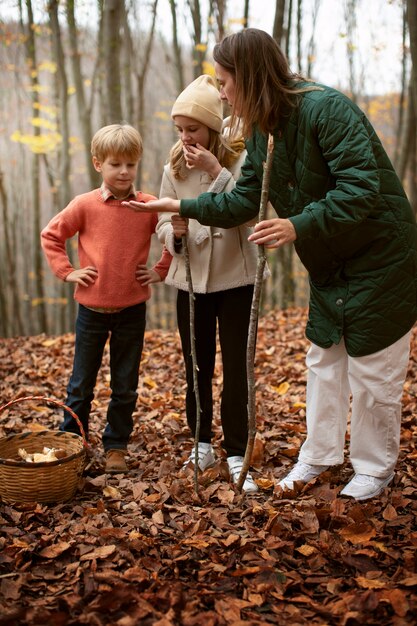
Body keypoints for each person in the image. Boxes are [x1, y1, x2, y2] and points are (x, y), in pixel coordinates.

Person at [124, 29, 417, 501]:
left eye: (224, 81)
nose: (220, 92)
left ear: (251, 76)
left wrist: (296, 225)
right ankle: (318, 456)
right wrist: (176, 208)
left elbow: (362, 188)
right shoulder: (263, 128)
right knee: (323, 360)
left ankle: (372, 469)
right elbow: (242, 199)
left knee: (371, 371)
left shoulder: (328, 110)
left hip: (381, 257)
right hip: (330, 264)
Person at [155, 74, 267, 493]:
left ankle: (237, 450)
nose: (185, 137)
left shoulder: (238, 160)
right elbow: (162, 221)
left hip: (236, 279)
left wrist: (216, 170)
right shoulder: (172, 166)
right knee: (196, 364)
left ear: (213, 128)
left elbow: (249, 209)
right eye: (180, 129)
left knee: (236, 368)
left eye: (194, 129)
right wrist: (175, 234)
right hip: (190, 283)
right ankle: (200, 441)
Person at [41, 123, 172, 474]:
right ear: (99, 164)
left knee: (125, 384)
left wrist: (161, 269)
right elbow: (52, 235)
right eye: (116, 164)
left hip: (131, 310)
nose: (124, 171)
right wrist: (68, 271)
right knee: (81, 384)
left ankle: (116, 446)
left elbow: (173, 234)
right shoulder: (84, 205)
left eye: (130, 164)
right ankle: (72, 443)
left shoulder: (147, 205)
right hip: (91, 310)